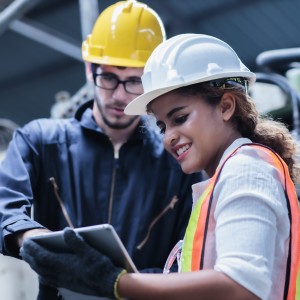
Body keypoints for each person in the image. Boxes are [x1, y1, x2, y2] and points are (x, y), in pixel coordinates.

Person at [21, 33, 300, 300]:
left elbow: (242, 285)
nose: (168, 137)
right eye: (162, 125)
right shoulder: (223, 180)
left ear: (226, 106)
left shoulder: (246, 169)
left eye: (180, 118)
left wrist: (116, 282)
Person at [0, 2, 201, 300]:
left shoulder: (178, 161)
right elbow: (5, 206)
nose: (119, 96)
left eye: (134, 81)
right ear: (88, 68)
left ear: (153, 81)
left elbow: (191, 259)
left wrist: (123, 282)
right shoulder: (40, 141)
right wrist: (31, 238)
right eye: (108, 77)